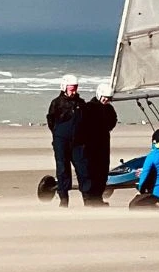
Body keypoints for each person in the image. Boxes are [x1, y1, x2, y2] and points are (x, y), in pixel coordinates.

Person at [46, 74, 90, 208]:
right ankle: (63, 199)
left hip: (78, 143)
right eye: (72, 89)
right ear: (64, 87)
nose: (74, 91)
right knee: (63, 169)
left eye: (75, 88)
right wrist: (59, 135)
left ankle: (87, 198)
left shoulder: (81, 103)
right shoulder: (57, 103)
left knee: (83, 169)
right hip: (61, 141)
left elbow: (86, 122)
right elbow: (51, 121)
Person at [77, 82, 119, 205]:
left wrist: (106, 129)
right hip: (90, 145)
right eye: (105, 97)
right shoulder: (89, 107)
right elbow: (82, 123)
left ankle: (98, 198)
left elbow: (113, 121)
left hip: (104, 144)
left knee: (102, 172)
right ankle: (89, 199)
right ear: (99, 95)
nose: (107, 100)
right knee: (91, 171)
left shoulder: (109, 109)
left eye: (109, 98)